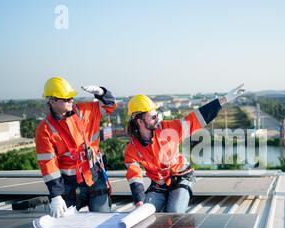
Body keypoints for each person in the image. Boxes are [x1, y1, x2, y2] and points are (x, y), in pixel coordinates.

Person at [124, 84, 245, 213]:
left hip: (181, 176)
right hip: (160, 184)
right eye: (153, 117)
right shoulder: (132, 149)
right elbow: (134, 176)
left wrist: (224, 99)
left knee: (174, 212)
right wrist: (139, 201)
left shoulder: (169, 129)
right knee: (144, 212)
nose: (157, 119)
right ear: (140, 122)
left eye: (157, 115)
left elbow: (195, 119)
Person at [35, 77, 117, 217]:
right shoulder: (44, 129)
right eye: (66, 99)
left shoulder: (85, 111)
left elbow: (110, 106)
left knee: (103, 222)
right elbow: (48, 164)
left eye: (71, 97)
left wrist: (101, 92)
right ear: (52, 101)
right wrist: (56, 195)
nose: (71, 101)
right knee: (66, 225)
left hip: (94, 177)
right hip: (68, 185)